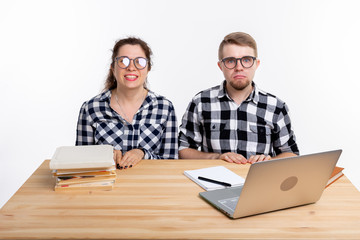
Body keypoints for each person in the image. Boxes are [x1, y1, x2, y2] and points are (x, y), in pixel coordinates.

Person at [178, 32, 299, 164]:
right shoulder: (201, 102)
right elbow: (183, 149)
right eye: (230, 61)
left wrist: (268, 160)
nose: (239, 67)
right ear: (221, 66)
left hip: (260, 182)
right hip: (214, 182)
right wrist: (216, 157)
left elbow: (291, 153)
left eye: (246, 60)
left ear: (256, 64)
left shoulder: (276, 107)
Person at [76, 37, 178, 169]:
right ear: (113, 68)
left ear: (148, 68)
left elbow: (171, 162)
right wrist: (103, 155)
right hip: (106, 187)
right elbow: (79, 161)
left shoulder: (164, 107)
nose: (131, 68)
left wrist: (142, 153)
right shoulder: (91, 108)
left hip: (151, 187)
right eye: (123, 61)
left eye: (139, 62)